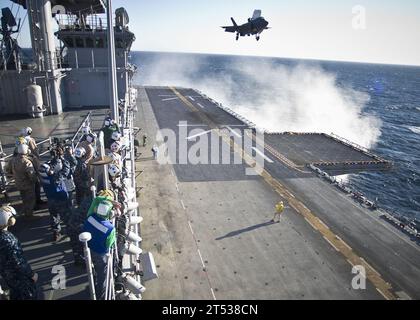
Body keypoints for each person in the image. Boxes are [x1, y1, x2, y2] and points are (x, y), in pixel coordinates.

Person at [83, 189, 120, 299]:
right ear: (109, 213)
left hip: (89, 249)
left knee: (92, 269)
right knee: (102, 278)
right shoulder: (110, 228)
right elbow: (109, 244)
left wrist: (104, 200)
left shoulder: (90, 217)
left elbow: (95, 200)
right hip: (101, 255)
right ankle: (102, 297)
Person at [0, 205, 38, 300]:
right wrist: (31, 274)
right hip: (18, 277)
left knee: (15, 294)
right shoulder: (9, 239)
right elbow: (19, 262)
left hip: (7, 275)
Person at [39, 163, 71, 241]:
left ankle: (56, 232)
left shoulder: (42, 178)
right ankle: (70, 232)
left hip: (51, 200)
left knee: (54, 217)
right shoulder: (55, 178)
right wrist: (63, 159)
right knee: (67, 217)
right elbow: (65, 171)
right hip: (61, 199)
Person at [6, 143, 38, 218]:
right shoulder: (27, 162)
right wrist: (34, 181)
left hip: (18, 183)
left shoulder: (13, 160)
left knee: (24, 198)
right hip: (28, 184)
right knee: (30, 199)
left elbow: (8, 170)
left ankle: (26, 211)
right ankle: (29, 215)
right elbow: (32, 175)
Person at [68, 197, 92, 266]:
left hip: (74, 224)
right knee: (79, 244)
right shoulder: (90, 204)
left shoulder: (87, 200)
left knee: (76, 245)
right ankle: (81, 261)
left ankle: (78, 259)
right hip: (77, 226)